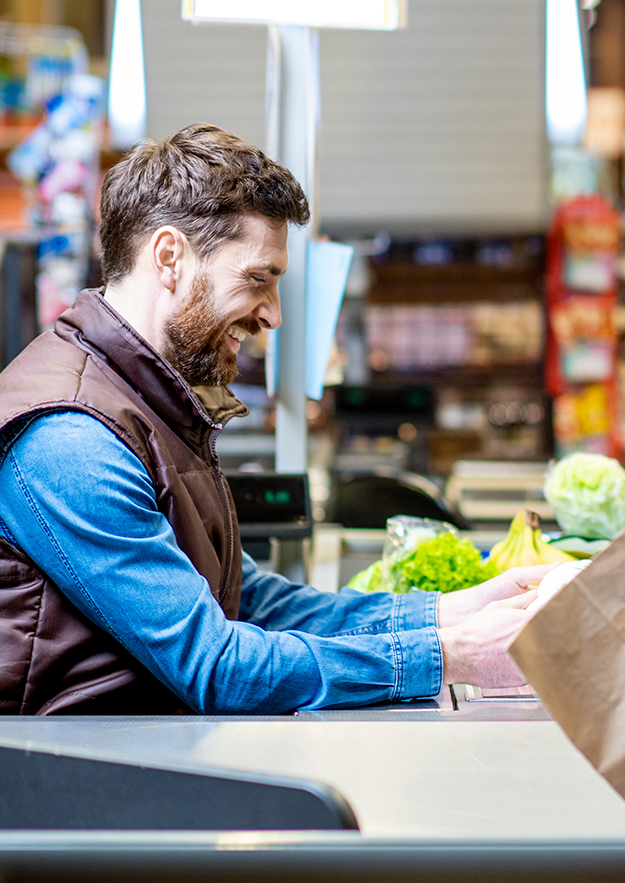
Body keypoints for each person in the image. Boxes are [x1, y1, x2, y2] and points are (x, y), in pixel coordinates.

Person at [0, 124, 547, 715]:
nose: (273, 315)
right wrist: (448, 655)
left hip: (146, 755)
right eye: (258, 279)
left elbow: (251, 601)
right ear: (168, 257)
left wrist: (449, 612)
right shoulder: (70, 440)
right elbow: (214, 667)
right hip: (78, 784)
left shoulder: (150, 402)